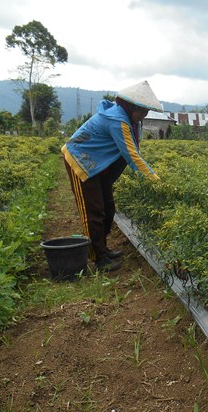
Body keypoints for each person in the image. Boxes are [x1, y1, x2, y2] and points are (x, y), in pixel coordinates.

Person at [61, 80, 162, 272]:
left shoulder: (131, 121)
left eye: (146, 112)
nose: (144, 116)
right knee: (94, 211)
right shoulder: (118, 120)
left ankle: (103, 249)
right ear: (132, 107)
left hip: (98, 165)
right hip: (80, 160)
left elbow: (134, 152)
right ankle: (98, 258)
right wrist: (155, 180)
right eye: (142, 111)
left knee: (108, 208)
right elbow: (131, 155)